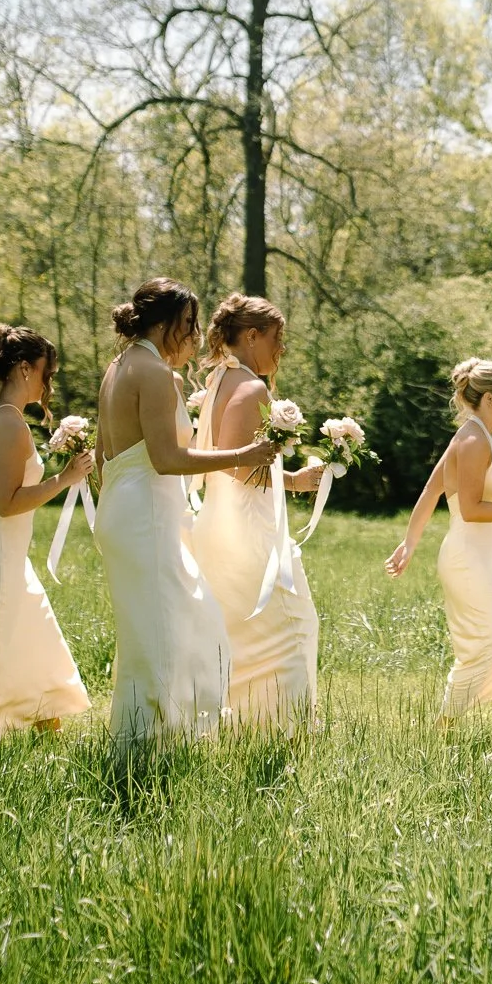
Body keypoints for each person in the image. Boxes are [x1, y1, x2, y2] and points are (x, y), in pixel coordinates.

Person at [92, 279, 271, 748]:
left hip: (126, 511)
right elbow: (167, 459)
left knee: (159, 627)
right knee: (171, 627)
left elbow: (99, 459)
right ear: (167, 323)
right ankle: (151, 746)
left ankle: (145, 738)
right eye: (189, 325)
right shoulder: (152, 373)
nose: (194, 336)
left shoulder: (116, 367)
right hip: (146, 517)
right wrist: (244, 455)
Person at [0, 325, 93, 740]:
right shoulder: (9, 425)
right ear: (25, 369)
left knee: (34, 642)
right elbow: (5, 503)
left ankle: (46, 735)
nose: (50, 383)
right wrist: (64, 479)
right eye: (48, 372)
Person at [193, 293, 329, 731]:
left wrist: (288, 476)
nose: (282, 348)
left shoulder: (219, 381)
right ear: (251, 335)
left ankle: (243, 726)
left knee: (246, 631)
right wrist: (293, 478)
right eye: (277, 337)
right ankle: (282, 732)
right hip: (248, 527)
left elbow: (235, 461)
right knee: (290, 627)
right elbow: (238, 466)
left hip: (222, 520)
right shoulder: (249, 386)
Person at [385, 357, 492, 719]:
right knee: (482, 647)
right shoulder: (472, 440)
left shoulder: (475, 435)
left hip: (489, 556)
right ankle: (444, 726)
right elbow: (470, 509)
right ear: (488, 399)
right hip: (471, 560)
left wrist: (409, 543)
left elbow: (430, 492)